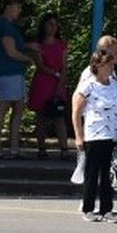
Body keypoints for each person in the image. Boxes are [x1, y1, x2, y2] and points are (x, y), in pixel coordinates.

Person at [72, 47, 117, 222]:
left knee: (109, 173)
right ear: (97, 65)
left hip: (111, 133)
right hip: (94, 134)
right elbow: (77, 111)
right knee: (92, 173)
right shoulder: (89, 85)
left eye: (111, 64)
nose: (110, 68)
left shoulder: (115, 85)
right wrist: (79, 136)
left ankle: (106, 209)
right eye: (106, 64)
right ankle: (88, 208)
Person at [0, 0, 39, 158]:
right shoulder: (5, 26)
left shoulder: (7, 26)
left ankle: (13, 148)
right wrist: (28, 59)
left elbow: (16, 45)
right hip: (8, 72)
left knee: (17, 108)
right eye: (18, 7)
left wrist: (28, 45)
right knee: (4, 108)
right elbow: (11, 51)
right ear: (9, 6)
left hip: (12, 72)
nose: (20, 11)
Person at [27, 13, 70, 160]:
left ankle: (64, 150)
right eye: (50, 24)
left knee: (59, 117)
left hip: (57, 84)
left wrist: (60, 82)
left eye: (55, 24)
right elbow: (40, 65)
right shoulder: (38, 45)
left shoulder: (62, 45)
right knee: (41, 116)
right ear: (44, 25)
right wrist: (56, 74)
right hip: (42, 83)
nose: (53, 27)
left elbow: (64, 66)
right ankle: (41, 148)